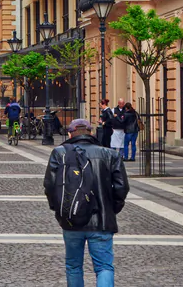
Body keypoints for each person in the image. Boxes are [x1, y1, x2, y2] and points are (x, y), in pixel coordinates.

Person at [44, 118, 129, 287]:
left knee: (74, 266)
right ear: (91, 132)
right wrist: (112, 209)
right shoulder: (110, 154)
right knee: (104, 267)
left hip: (71, 219)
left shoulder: (59, 153)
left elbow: (50, 186)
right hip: (102, 220)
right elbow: (121, 188)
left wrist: (60, 211)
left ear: (70, 133)